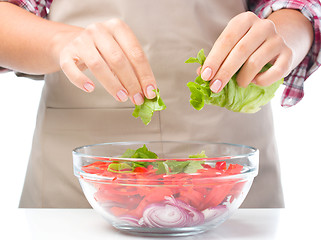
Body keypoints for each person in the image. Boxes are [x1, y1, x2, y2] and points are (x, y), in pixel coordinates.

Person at [0, 0, 319, 208]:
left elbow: (300, 6)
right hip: (78, 186)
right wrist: (60, 41)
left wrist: (282, 36)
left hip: (229, 180)